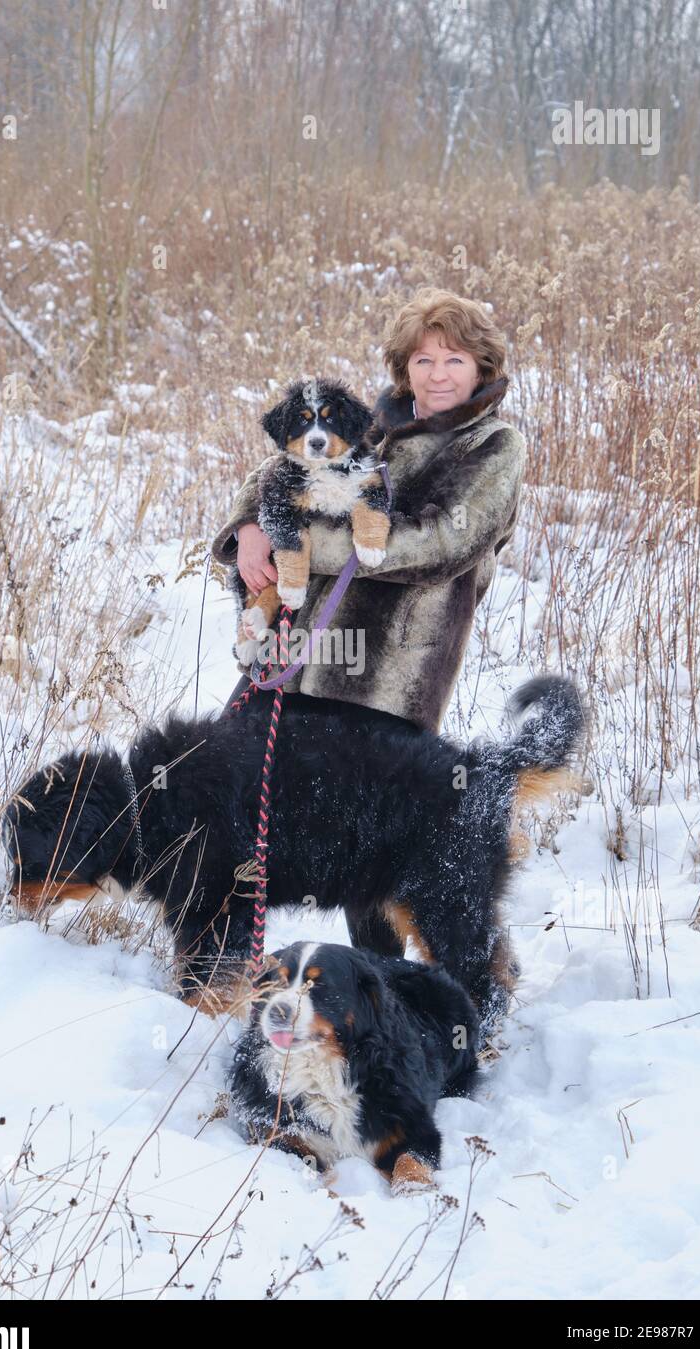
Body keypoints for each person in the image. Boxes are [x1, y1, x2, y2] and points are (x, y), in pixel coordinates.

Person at [209, 286, 526, 953]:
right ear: (403, 368)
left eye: (454, 361)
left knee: (377, 835)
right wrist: (250, 530)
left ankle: (420, 980)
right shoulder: (371, 424)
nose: (438, 375)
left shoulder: (492, 446)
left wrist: (304, 542)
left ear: (482, 368)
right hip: (302, 651)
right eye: (423, 361)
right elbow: (280, 469)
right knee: (233, 782)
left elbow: (441, 543)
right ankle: (220, 955)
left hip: (391, 668)